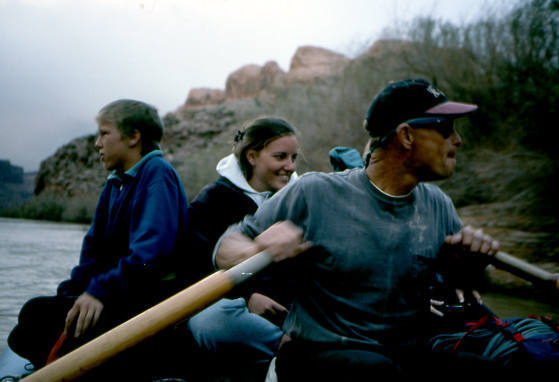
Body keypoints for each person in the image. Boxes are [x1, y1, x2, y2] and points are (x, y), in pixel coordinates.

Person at [214, 79, 513, 381]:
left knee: (490, 373)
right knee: (378, 372)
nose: (457, 140)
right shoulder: (314, 192)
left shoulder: (438, 205)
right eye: (446, 129)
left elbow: (462, 294)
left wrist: (470, 265)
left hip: (405, 351)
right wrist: (256, 250)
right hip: (319, 352)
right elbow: (224, 250)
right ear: (407, 135)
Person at [6, 99, 189, 378]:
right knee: (35, 314)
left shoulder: (157, 175)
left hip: (148, 302)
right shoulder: (115, 183)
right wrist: (73, 292)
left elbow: (150, 255)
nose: (97, 143)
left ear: (133, 137)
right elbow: (93, 253)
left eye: (104, 133)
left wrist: (100, 292)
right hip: (120, 294)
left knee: (39, 320)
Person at [186, 117, 299, 377]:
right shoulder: (213, 201)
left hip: (290, 309)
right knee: (209, 321)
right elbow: (197, 266)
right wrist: (249, 296)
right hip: (231, 305)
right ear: (252, 156)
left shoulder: (301, 198)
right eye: (281, 157)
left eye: (294, 158)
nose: (290, 167)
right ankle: (289, 354)